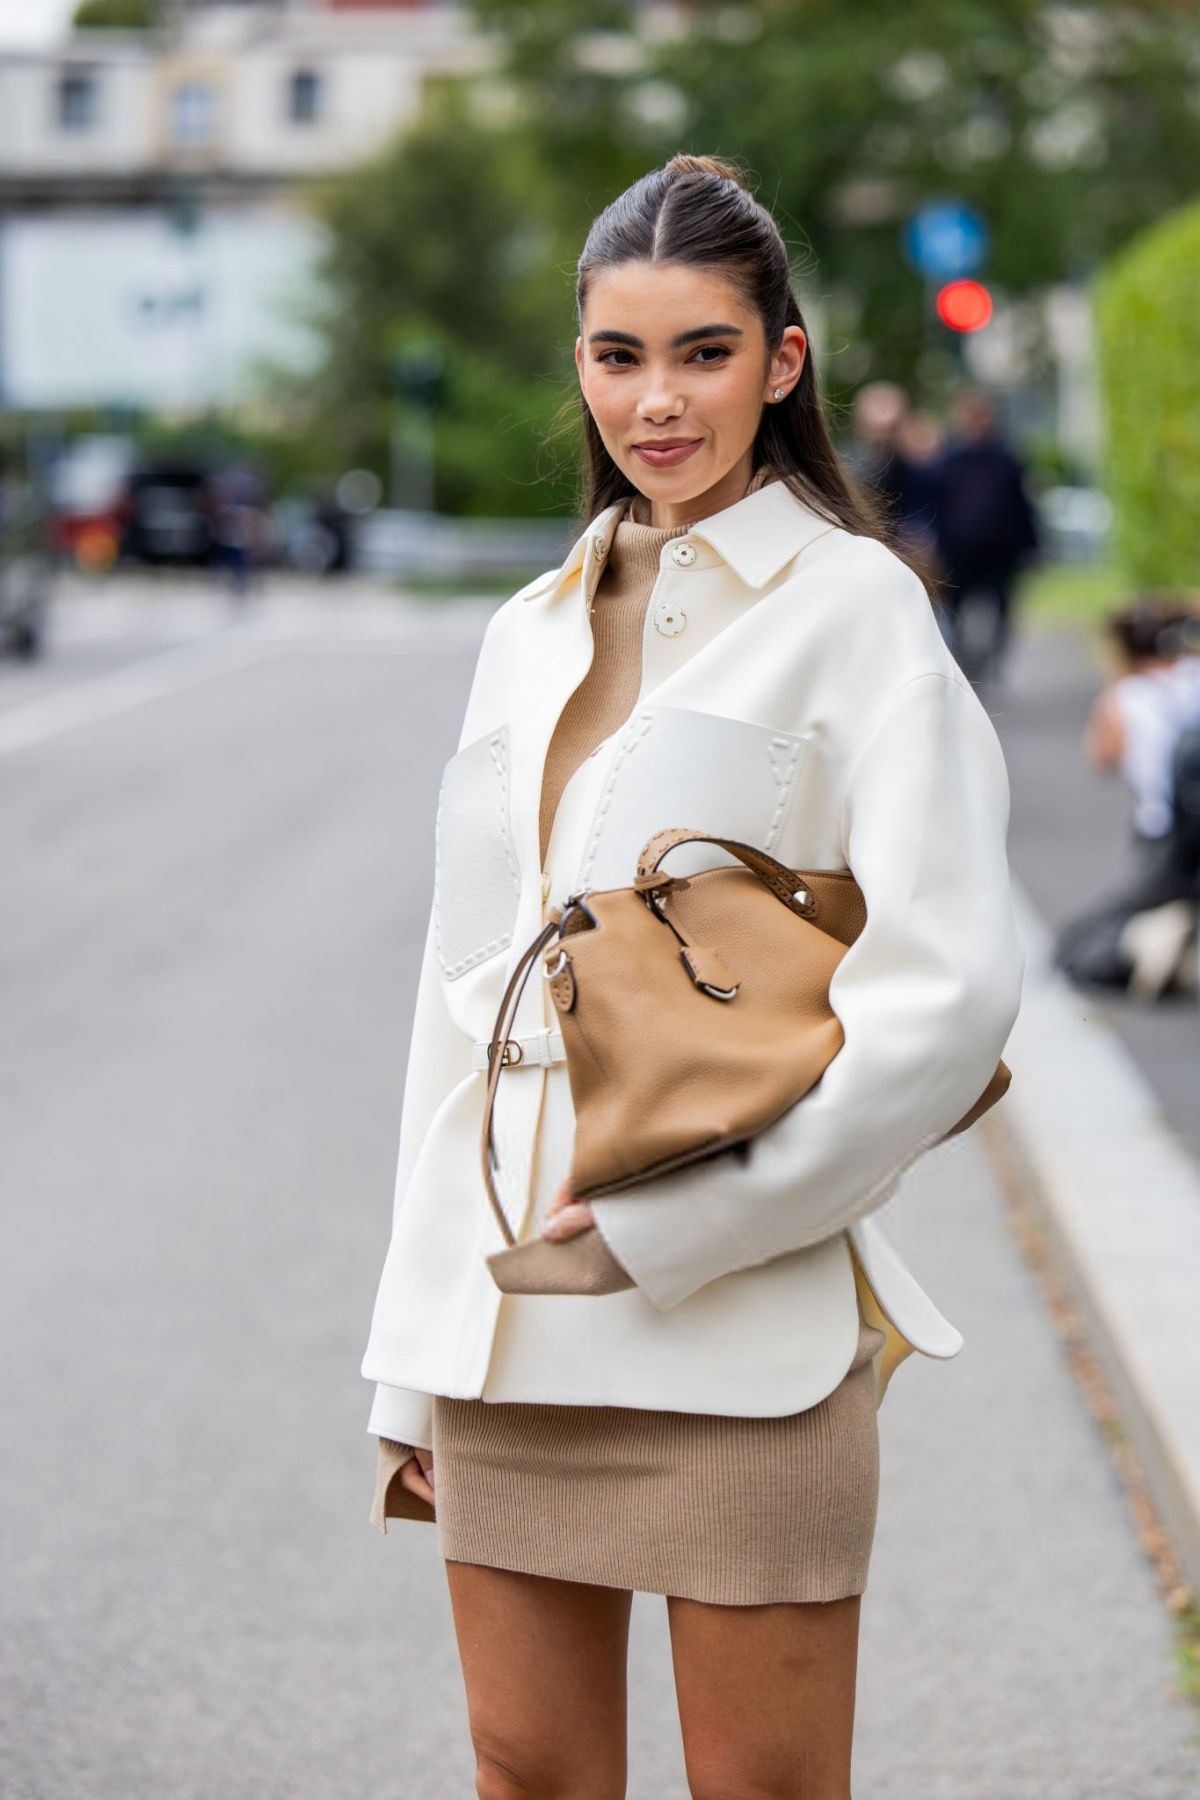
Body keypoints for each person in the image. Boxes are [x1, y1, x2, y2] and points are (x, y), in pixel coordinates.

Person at [360, 153, 1024, 1798]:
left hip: (741, 1323)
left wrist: (681, 1229)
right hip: (507, 1325)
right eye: (618, 356)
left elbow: (945, 1000)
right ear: (579, 363)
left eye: (703, 353)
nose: (656, 402)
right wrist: (409, 1348)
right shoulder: (527, 624)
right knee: (528, 1775)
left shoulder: (861, 614)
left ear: (781, 360)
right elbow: (467, 1004)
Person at [1054, 600, 1200, 998]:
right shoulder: (1194, 677)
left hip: (1166, 841)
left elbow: (1101, 759)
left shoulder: (1125, 697)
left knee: (1072, 953)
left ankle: (1153, 937)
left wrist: (1115, 679)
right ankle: (1174, 925)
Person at [931, 387, 1039, 686]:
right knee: (955, 610)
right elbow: (938, 505)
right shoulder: (950, 462)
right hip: (959, 551)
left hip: (1000, 551)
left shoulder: (1006, 460)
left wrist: (1028, 546)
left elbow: (1021, 506)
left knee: (1002, 611)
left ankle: (991, 661)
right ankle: (964, 661)